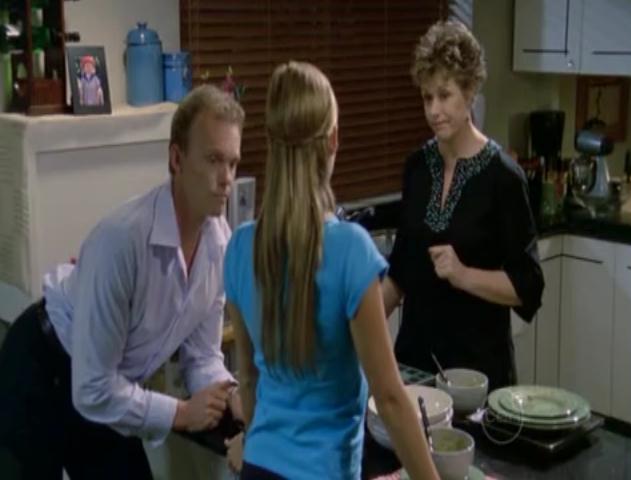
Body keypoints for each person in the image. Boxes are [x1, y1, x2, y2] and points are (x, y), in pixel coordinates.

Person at [0, 84, 245, 479]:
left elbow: (202, 356)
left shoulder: (220, 247)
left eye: (233, 163)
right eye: (214, 159)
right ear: (176, 159)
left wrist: (229, 393)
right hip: (41, 365)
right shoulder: (123, 240)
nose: (226, 179)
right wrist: (182, 413)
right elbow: (91, 389)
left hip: (108, 384)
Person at [223, 61, 440, 480]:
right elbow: (390, 399)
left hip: (259, 467)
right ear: (334, 140)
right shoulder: (349, 250)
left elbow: (247, 379)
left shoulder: (240, 248)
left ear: (271, 143)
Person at [382, 21, 544, 390]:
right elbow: (401, 270)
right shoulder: (417, 168)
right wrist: (357, 334)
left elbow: (528, 287)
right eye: (427, 98)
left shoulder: (504, 177)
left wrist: (462, 274)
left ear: (470, 92)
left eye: (445, 95)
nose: (434, 110)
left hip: (477, 374)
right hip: (415, 368)